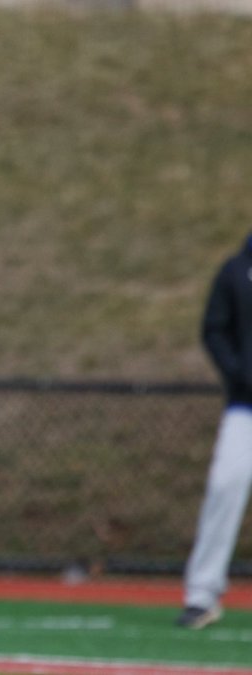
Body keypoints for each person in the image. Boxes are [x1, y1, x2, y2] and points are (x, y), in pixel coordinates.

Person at [177, 233, 252, 629]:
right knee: (225, 485)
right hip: (246, 408)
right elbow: (215, 329)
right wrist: (240, 374)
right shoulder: (237, 270)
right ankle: (202, 594)